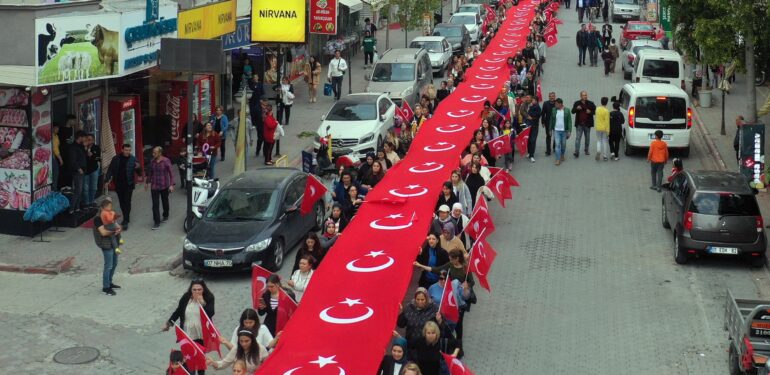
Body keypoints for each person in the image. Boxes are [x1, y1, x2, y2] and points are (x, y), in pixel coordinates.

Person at [162, 279, 216, 368]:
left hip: (201, 333)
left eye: (199, 289)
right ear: (191, 290)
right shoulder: (186, 297)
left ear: (204, 289)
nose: (197, 292)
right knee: (187, 357)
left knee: (200, 357)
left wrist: (202, 302)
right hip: (188, 333)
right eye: (194, 289)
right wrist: (168, 324)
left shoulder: (209, 297)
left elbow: (210, 313)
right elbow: (178, 311)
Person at [103, 144, 141, 230]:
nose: (128, 152)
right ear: (122, 150)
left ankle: (126, 220)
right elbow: (110, 170)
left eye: (129, 150)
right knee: (121, 202)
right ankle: (126, 216)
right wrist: (107, 180)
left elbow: (139, 172)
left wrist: (138, 168)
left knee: (127, 201)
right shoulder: (116, 158)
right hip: (119, 184)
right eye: (126, 150)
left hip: (129, 184)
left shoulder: (133, 159)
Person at [93, 204, 121, 295]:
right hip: (106, 244)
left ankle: (109, 282)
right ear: (101, 208)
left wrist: (118, 229)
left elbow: (118, 226)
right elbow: (103, 232)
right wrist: (114, 231)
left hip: (114, 243)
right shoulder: (98, 219)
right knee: (108, 265)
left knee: (114, 263)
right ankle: (106, 287)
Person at [145, 146, 175, 230]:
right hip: (154, 186)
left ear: (160, 153)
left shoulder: (166, 161)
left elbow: (171, 173)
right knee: (155, 205)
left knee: (165, 201)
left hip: (164, 186)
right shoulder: (152, 162)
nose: (153, 154)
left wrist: (172, 184)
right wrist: (147, 182)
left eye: (155, 152)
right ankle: (156, 222)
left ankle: (165, 215)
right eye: (153, 152)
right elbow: (150, 173)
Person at [571, 91, 596, 158]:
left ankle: (586, 150)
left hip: (587, 124)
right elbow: (572, 111)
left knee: (587, 138)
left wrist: (590, 112)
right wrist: (576, 108)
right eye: (583, 95)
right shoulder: (577, 103)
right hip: (579, 124)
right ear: (580, 96)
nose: (585, 96)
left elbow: (595, 111)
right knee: (577, 138)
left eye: (585, 95)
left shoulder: (591, 103)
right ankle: (576, 152)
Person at [67, 131, 87, 213]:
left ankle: (77, 207)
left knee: (80, 190)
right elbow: (72, 160)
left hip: (82, 170)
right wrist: (78, 168)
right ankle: (71, 208)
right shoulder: (73, 147)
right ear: (80, 137)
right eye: (84, 137)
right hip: (77, 171)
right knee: (78, 190)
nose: (85, 139)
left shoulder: (81, 146)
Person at [549, 98, 572, 166]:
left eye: (556, 104)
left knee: (563, 145)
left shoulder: (567, 110)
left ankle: (562, 154)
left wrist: (569, 131)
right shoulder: (553, 110)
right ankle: (558, 159)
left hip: (564, 131)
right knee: (557, 145)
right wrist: (550, 129)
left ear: (560, 104)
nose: (555, 105)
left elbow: (569, 121)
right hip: (556, 130)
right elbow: (551, 120)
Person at [248, 76, 265, 156]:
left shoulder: (260, 84)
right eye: (254, 77)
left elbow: (262, 92)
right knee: (260, 139)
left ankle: (265, 154)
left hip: (266, 128)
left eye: (256, 77)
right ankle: (258, 151)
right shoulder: (251, 85)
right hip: (252, 101)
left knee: (265, 141)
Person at [82, 134, 100, 206]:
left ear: (93, 141)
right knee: (85, 188)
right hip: (85, 171)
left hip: (94, 169)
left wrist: (93, 155)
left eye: (89, 140)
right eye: (87, 139)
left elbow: (99, 159)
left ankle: (92, 201)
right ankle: (86, 203)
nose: (88, 141)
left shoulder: (96, 148)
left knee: (94, 187)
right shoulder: (82, 148)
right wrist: (85, 151)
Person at [526, 96, 542, 163]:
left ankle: (532, 156)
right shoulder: (531, 106)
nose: (532, 101)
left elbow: (537, 115)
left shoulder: (538, 107)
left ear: (536, 101)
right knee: (529, 140)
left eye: (533, 100)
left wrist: (531, 117)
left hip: (535, 126)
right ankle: (529, 152)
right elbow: (528, 114)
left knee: (533, 140)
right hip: (529, 125)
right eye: (532, 100)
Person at [541, 92, 557, 156]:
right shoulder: (545, 103)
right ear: (549, 97)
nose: (552, 97)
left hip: (556, 123)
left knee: (556, 136)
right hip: (547, 123)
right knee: (548, 136)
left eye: (553, 96)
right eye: (550, 96)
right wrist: (542, 122)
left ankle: (555, 147)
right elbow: (543, 113)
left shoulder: (557, 103)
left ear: (555, 97)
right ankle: (548, 150)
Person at [595, 97, 610, 161]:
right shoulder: (607, 111)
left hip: (598, 127)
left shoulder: (597, 109)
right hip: (604, 128)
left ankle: (598, 151)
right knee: (604, 141)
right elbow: (607, 121)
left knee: (598, 140)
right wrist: (608, 131)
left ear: (601, 102)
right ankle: (605, 156)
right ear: (606, 103)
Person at [52, 124, 63, 190]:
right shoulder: (52, 136)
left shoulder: (56, 136)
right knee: (55, 174)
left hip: (54, 157)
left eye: (58, 129)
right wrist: (60, 158)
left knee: (55, 175)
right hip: (53, 157)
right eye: (56, 128)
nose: (57, 130)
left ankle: (54, 189)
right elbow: (55, 148)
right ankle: (54, 190)